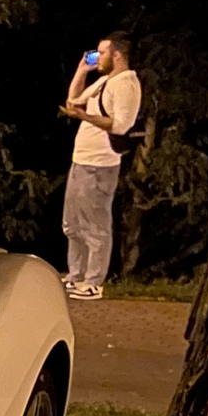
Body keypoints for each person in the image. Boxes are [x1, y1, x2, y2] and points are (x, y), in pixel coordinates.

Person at [59, 31, 140, 300]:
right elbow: (74, 100)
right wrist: (82, 70)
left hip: (100, 164)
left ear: (116, 54)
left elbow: (121, 124)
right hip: (81, 159)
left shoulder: (126, 84)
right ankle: (75, 276)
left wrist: (85, 116)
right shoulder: (105, 80)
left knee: (95, 225)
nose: (98, 57)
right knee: (72, 224)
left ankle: (93, 281)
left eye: (102, 52)